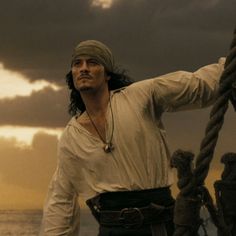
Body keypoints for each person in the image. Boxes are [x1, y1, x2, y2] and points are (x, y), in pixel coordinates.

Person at [40, 40, 225, 236]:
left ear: (107, 73)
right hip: (111, 230)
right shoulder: (71, 136)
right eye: (77, 64)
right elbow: (61, 198)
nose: (83, 68)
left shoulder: (139, 96)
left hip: (159, 226)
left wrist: (228, 66)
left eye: (93, 62)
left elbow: (197, 86)